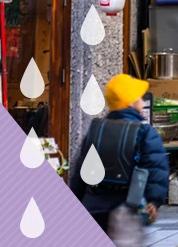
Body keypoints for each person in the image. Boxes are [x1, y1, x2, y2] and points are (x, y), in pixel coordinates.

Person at [68, 73, 169, 232]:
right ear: (131, 102)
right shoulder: (144, 131)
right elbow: (156, 168)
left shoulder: (97, 130)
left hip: (95, 206)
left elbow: (81, 171)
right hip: (128, 208)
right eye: (140, 98)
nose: (142, 103)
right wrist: (154, 201)